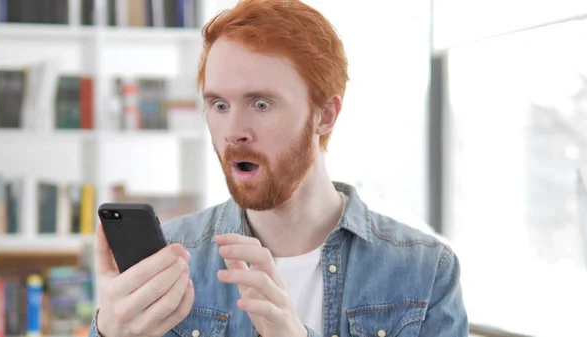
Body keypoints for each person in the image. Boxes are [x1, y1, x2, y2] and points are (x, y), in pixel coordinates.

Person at [89, 0, 468, 336]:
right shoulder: (169, 262)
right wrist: (108, 332)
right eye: (219, 105)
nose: (234, 132)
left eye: (261, 104)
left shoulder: (425, 270)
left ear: (325, 115)